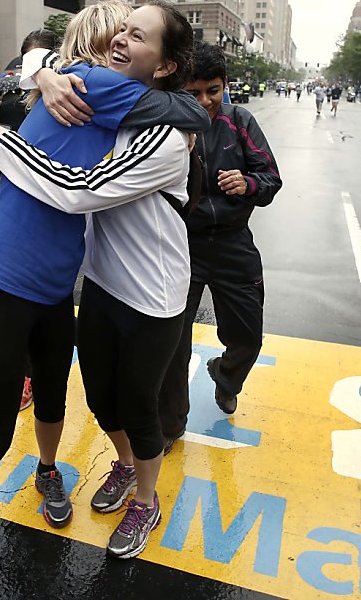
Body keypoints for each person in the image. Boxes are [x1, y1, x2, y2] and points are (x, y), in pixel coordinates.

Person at [0, 0, 209, 598]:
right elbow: (41, 64)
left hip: (71, 287)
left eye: (134, 37)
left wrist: (20, 114)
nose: (117, 48)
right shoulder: (93, 84)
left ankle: (59, 474)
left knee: (60, 396)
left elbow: (180, 112)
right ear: (91, 49)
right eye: (115, 37)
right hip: (9, 279)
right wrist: (44, 73)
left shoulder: (118, 104)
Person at [158, 42, 282, 454]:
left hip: (234, 244)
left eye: (213, 90)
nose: (205, 101)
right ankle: (169, 425)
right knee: (174, 343)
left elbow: (270, 178)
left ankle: (225, 376)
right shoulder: (166, 126)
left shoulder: (240, 121)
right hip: (182, 246)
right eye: (194, 93)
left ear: (224, 86)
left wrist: (247, 184)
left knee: (248, 337)